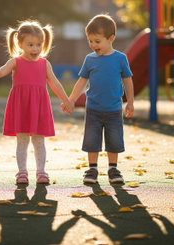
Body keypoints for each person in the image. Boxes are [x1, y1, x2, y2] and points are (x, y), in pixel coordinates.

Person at [0, 20, 73, 184]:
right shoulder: (15, 62)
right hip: (21, 106)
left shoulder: (44, 64)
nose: (35, 49)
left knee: (39, 140)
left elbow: (55, 83)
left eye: (38, 44)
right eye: (30, 45)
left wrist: (66, 100)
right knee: (22, 140)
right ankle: (22, 172)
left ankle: (41, 172)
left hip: (39, 106)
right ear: (20, 44)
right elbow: (1, 71)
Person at [66, 14, 134, 184]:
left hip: (114, 109)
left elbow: (128, 80)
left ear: (111, 38)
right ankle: (92, 169)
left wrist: (130, 102)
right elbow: (81, 82)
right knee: (91, 140)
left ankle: (113, 168)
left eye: (97, 41)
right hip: (93, 110)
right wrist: (71, 99)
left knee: (114, 140)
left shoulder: (120, 59)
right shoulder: (89, 60)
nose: (93, 45)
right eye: (90, 41)